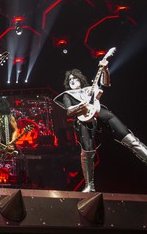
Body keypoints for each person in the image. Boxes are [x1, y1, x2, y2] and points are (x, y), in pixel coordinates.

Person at [54, 54, 147, 192]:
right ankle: (89, 185)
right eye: (70, 79)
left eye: (75, 78)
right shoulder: (68, 94)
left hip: (100, 112)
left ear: (81, 78)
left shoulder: (90, 88)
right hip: (83, 120)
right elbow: (69, 111)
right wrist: (81, 106)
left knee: (128, 137)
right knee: (87, 149)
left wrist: (104, 69)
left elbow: (106, 83)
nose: (73, 80)